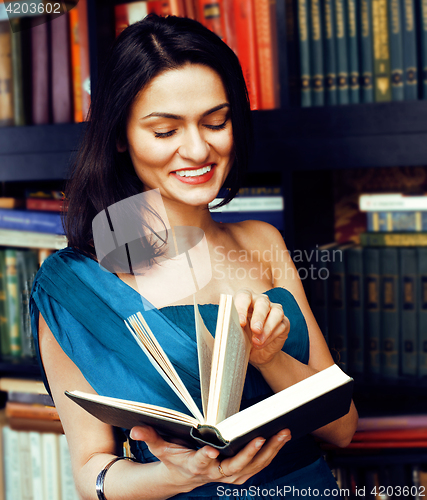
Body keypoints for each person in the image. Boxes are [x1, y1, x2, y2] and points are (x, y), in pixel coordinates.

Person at [30, 14, 358, 500]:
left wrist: (270, 358)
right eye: (165, 131)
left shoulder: (261, 241)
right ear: (121, 137)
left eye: (216, 122)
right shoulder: (73, 284)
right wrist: (180, 475)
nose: (198, 148)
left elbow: (342, 428)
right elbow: (89, 472)